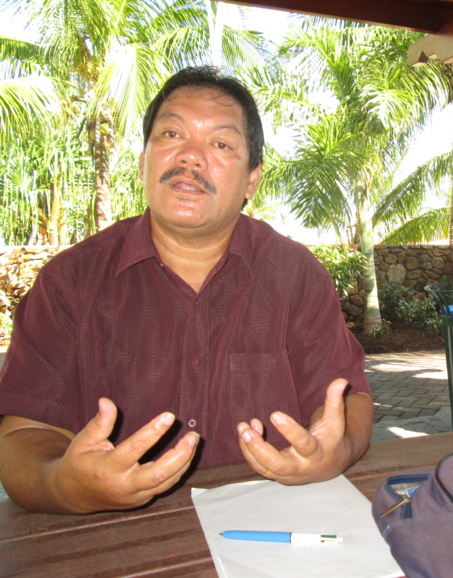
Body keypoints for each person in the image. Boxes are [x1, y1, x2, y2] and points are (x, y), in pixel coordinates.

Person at [0, 66, 374, 514]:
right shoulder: (70, 281)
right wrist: (64, 484)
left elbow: (346, 402)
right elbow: (23, 435)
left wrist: (334, 450)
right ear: (144, 160)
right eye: (172, 134)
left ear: (252, 180)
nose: (191, 157)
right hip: (112, 543)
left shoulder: (296, 275)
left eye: (220, 143)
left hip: (269, 526)